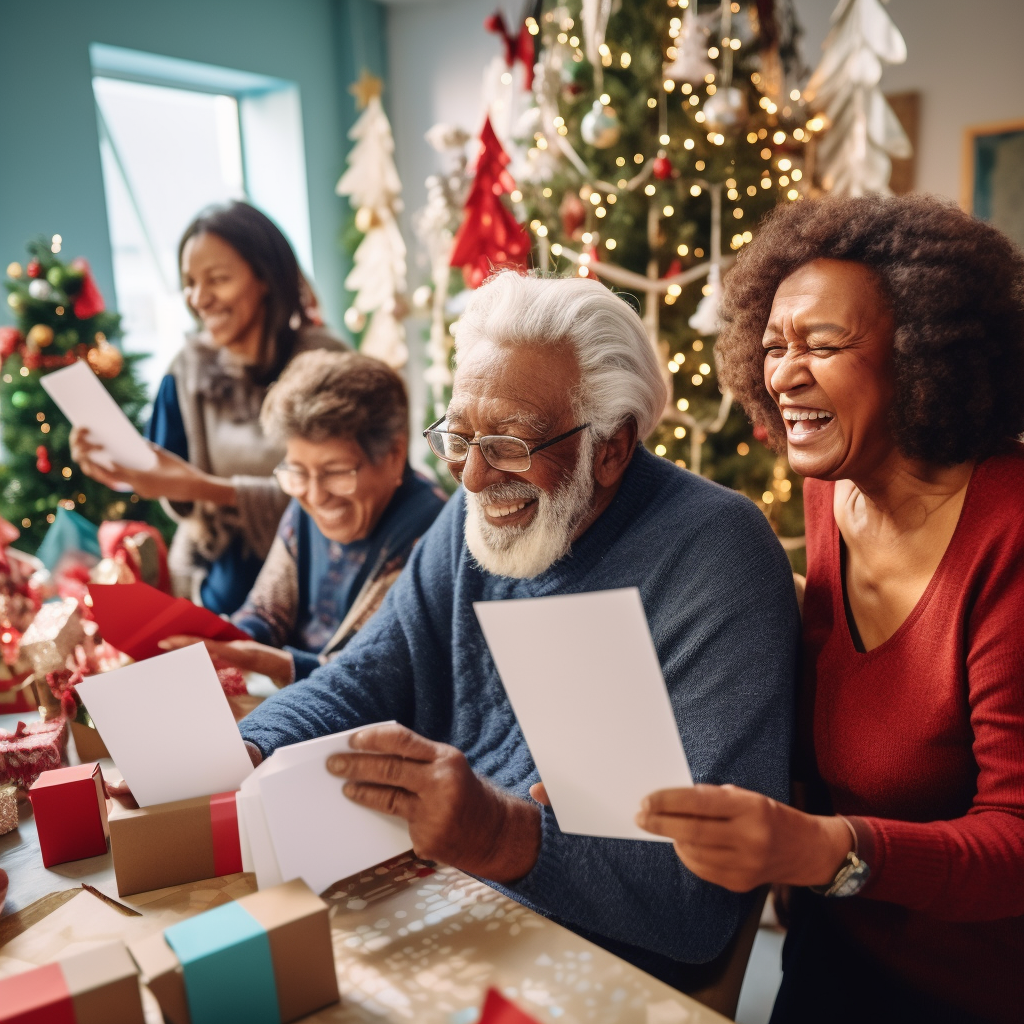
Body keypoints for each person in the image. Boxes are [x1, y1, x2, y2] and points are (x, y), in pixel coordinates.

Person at [237, 271, 800, 991]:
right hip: (451, 895)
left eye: (508, 445)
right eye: (460, 436)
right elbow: (370, 669)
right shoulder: (473, 518)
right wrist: (250, 743)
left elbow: (699, 908)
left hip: (597, 959)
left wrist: (502, 835)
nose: (471, 477)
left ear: (613, 447)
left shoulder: (716, 556)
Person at [637, 194, 1024, 1023]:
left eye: (824, 344)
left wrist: (827, 849)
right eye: (774, 346)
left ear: (923, 355)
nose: (783, 373)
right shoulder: (832, 495)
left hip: (972, 991)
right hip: (834, 948)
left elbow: (1017, 839)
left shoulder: (1010, 536)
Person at [71, 201, 346, 614]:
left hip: (323, 584)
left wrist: (201, 486)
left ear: (265, 279)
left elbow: (342, 493)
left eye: (217, 279)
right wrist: (116, 467)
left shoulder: (327, 365)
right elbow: (169, 479)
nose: (199, 298)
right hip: (219, 589)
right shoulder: (185, 372)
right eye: (188, 282)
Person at [158, 349, 446, 685]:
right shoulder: (306, 502)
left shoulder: (429, 535)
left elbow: (374, 676)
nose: (315, 495)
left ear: (395, 455)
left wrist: (266, 661)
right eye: (297, 471)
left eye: (336, 472)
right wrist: (225, 639)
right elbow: (267, 609)